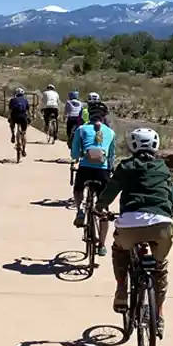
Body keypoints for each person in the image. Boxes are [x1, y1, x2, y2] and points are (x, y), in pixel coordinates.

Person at [94, 128, 173, 338]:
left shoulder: (126, 167)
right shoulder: (163, 168)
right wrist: (172, 211)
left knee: (120, 250)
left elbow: (111, 190)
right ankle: (158, 315)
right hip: (161, 224)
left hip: (130, 223)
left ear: (132, 146)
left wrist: (100, 207)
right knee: (159, 267)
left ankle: (122, 288)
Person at [69, 110, 116, 256]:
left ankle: (80, 211)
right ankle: (102, 245)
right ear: (103, 120)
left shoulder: (81, 129)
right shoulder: (111, 132)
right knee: (103, 210)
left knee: (78, 189)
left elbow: (75, 152)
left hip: (86, 169)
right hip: (102, 172)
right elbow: (112, 156)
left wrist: (78, 157)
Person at [7, 87, 31, 152]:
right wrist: (29, 117)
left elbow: (10, 111)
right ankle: (23, 150)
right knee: (24, 133)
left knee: (12, 123)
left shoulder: (12, 100)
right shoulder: (25, 100)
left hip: (15, 117)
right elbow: (28, 111)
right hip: (23, 118)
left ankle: (12, 134)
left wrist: (9, 118)